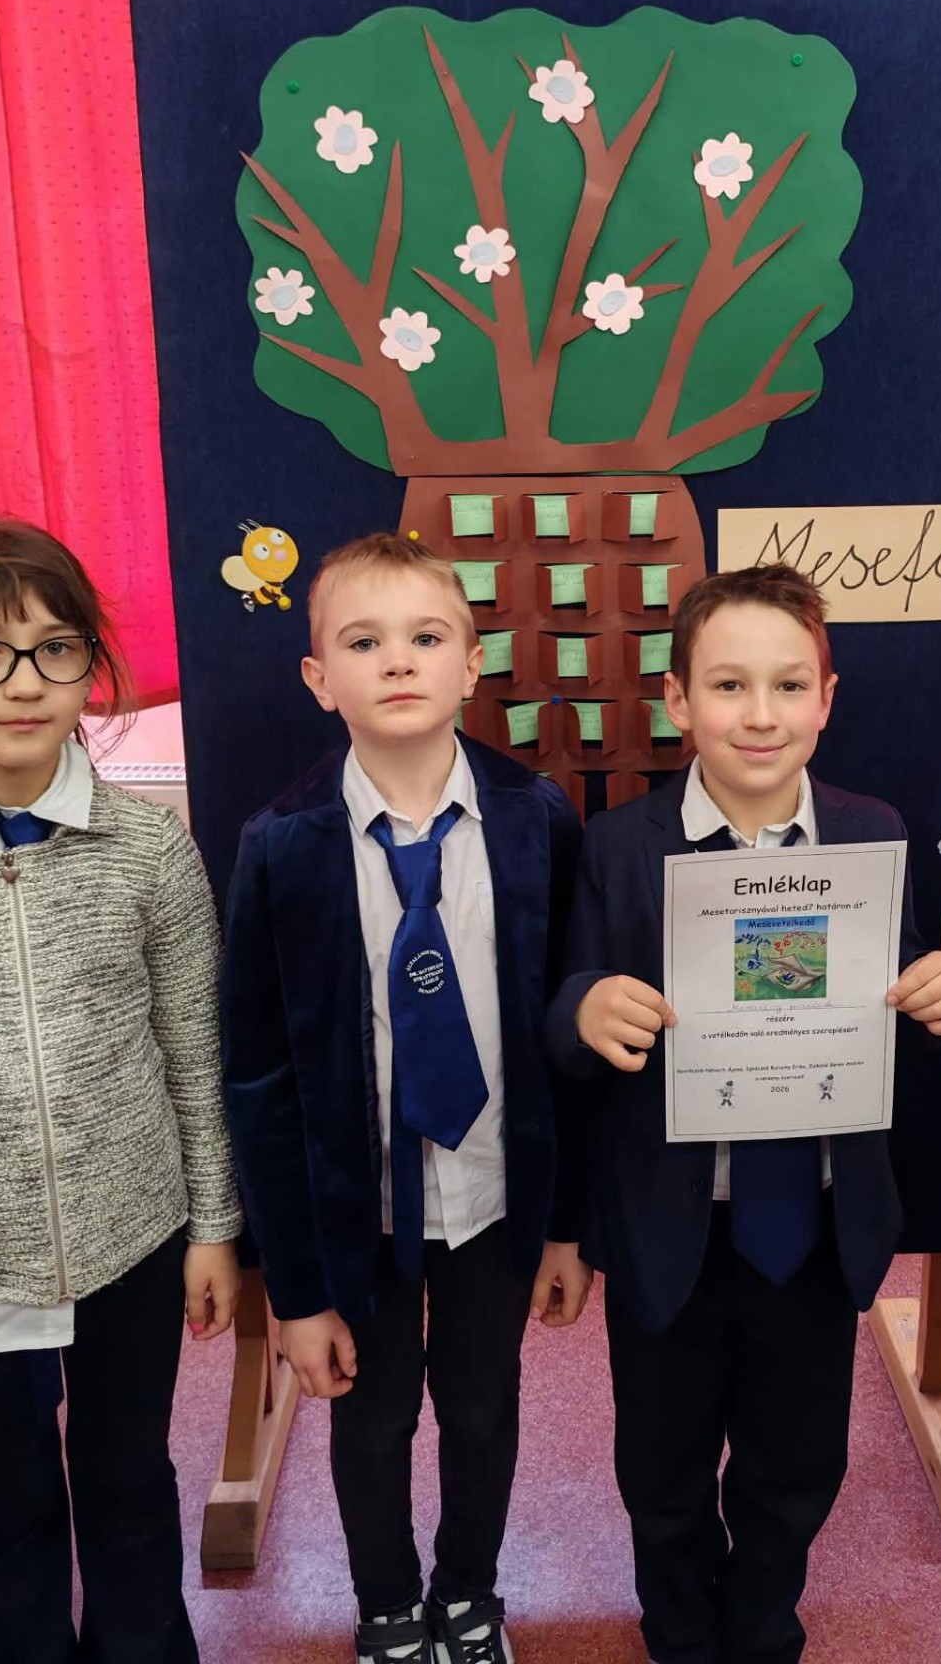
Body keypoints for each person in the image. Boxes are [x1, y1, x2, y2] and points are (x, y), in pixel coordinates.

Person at [547, 563, 941, 1664]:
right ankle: (682, 1635)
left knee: (798, 1462)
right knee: (662, 1466)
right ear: (678, 700)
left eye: (789, 686)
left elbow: (903, 983)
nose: (761, 713)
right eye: (729, 685)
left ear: (826, 698)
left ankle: (763, 1629)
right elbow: (562, 1013)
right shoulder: (619, 845)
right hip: (671, 1228)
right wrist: (586, 1008)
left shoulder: (872, 832)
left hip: (814, 1226)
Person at [219, 532, 589, 1664]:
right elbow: (259, 1078)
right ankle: (385, 1604)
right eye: (363, 641)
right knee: (370, 1419)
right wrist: (293, 1288)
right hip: (358, 1218)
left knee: (483, 1410)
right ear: (318, 677)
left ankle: (470, 1594)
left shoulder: (538, 820)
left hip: (491, 1198)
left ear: (472, 663)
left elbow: (566, 1041)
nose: (397, 661)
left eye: (426, 637)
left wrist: (565, 1226)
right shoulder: (280, 846)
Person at [0, 512, 241, 1664]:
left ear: (90, 666)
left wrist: (212, 1228)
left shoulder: (146, 848)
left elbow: (194, 1051)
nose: (24, 681)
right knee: (1, 1500)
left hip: (134, 1234)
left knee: (128, 1486)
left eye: (55, 648)